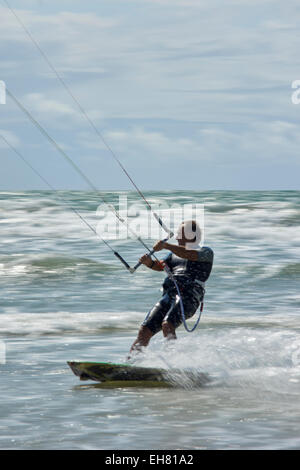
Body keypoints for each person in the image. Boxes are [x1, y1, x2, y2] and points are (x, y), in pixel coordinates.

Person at [129, 220, 213, 355]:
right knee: (144, 330)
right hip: (169, 296)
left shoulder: (205, 252)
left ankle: (174, 362)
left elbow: (189, 254)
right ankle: (130, 364)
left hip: (190, 297)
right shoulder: (172, 255)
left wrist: (166, 245)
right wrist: (149, 262)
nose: (178, 237)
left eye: (180, 234)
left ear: (192, 236)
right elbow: (160, 266)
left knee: (167, 325)